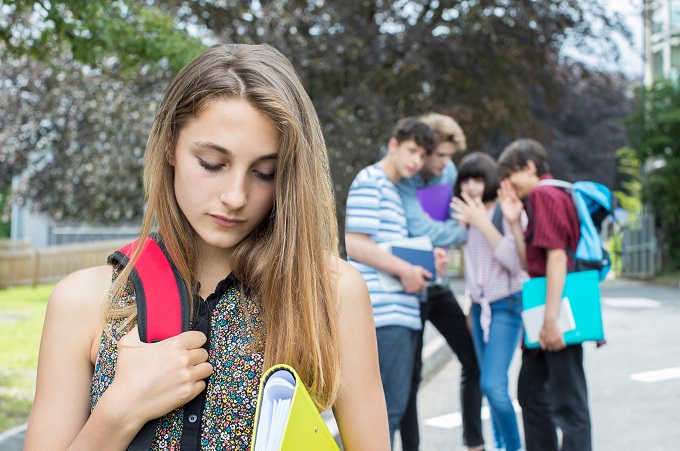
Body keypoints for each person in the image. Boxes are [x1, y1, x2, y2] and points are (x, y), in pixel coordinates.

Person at [24, 43, 390, 450]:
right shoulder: (85, 300)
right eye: (212, 164)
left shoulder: (331, 291)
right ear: (169, 147)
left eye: (265, 172)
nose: (236, 196)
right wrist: (120, 411)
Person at [344, 117, 449, 447]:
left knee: (395, 407)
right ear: (393, 145)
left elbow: (389, 248)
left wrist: (429, 263)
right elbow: (356, 243)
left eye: (421, 155)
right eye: (411, 151)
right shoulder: (370, 181)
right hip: (382, 313)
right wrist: (405, 269)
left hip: (400, 311)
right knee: (385, 412)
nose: (416, 161)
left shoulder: (393, 189)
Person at [396, 113, 484, 451]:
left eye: (450, 155)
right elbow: (423, 230)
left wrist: (453, 231)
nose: (448, 163)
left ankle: (474, 443)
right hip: (409, 288)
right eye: (442, 155)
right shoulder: (405, 176)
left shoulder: (447, 173)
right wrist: (462, 230)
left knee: (473, 360)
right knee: (410, 377)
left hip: (439, 285)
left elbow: (450, 218)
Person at [497, 138, 592, 451]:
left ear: (530, 167)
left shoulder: (544, 193)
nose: (507, 184)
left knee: (567, 403)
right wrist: (513, 222)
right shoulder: (545, 196)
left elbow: (556, 258)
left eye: (511, 174)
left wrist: (551, 320)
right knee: (533, 394)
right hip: (546, 310)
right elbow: (530, 262)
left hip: (552, 312)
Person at [451, 152, 528, 451]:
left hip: (507, 306)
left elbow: (515, 263)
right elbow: (472, 269)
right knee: (489, 385)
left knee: (493, 386)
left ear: (490, 180)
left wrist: (483, 223)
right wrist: (471, 305)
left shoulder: (504, 212)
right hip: (480, 308)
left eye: (478, 179)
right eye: (466, 180)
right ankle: (501, 445)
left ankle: (513, 446)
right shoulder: (467, 217)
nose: (471, 186)